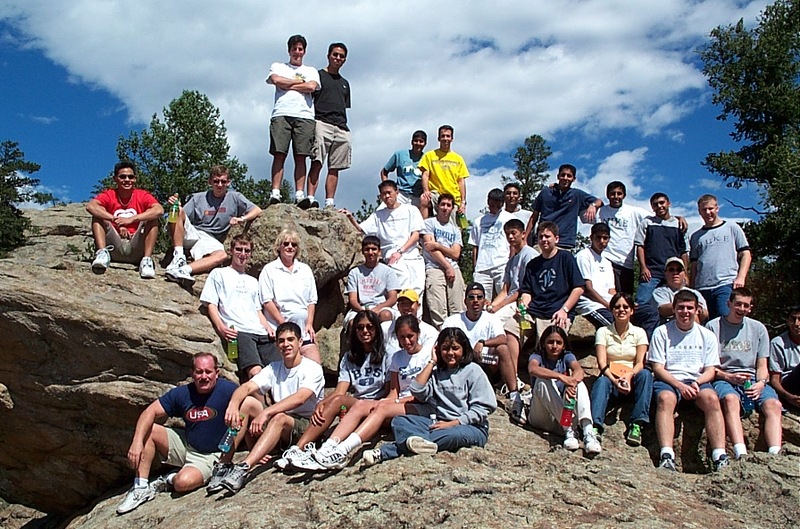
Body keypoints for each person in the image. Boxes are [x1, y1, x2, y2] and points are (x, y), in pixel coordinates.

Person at [116, 353, 259, 514]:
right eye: (199, 372)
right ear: (192, 373)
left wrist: (254, 448)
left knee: (182, 483)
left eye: (208, 372)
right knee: (150, 429)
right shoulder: (182, 393)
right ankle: (140, 487)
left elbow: (253, 407)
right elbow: (149, 412)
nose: (204, 376)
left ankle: (169, 479)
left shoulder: (228, 390)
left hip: (213, 455)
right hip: (187, 444)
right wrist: (137, 442)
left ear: (216, 373)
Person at [297, 315, 433, 470]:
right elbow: (394, 392)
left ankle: (342, 451)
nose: (406, 341)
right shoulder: (397, 357)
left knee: (378, 407)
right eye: (402, 337)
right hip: (388, 404)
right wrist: (323, 403)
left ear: (418, 334)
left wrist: (386, 403)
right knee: (354, 403)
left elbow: (422, 393)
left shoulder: (424, 356)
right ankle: (324, 448)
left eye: (410, 336)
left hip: (415, 405)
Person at [361, 327, 497, 466]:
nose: (450, 353)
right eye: (445, 349)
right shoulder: (437, 373)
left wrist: (453, 423)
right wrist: (432, 362)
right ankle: (417, 443)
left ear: (463, 349)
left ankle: (386, 452)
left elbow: (483, 408)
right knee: (399, 421)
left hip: (469, 427)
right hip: (438, 422)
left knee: (449, 435)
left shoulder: (473, 370)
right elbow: (417, 390)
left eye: (455, 348)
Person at [276, 310, 390, 470]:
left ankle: (327, 449)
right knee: (336, 401)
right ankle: (297, 450)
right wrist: (322, 404)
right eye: (360, 327)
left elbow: (390, 391)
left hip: (378, 406)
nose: (365, 331)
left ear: (377, 329)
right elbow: (340, 391)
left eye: (370, 327)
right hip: (357, 405)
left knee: (340, 401)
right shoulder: (350, 357)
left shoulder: (387, 354)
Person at [219, 322, 324, 493]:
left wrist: (267, 412)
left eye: (290, 339)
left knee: (279, 417)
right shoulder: (274, 368)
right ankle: (223, 464)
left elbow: (300, 398)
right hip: (280, 423)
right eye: (281, 341)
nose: (286, 344)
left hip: (306, 426)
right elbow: (247, 387)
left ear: (300, 342)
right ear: (276, 345)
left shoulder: (312, 368)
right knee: (247, 403)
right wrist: (233, 404)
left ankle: (244, 467)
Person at [649, 289, 728, 472]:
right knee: (665, 399)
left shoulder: (706, 335)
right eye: (681, 307)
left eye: (689, 308)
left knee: (712, 399)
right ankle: (667, 455)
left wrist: (696, 383)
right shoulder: (661, 332)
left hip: (697, 380)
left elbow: (710, 369)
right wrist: (679, 385)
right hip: (670, 380)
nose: (685, 312)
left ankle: (719, 455)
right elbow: (658, 367)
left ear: (697, 310)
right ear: (674, 309)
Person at [707, 288, 781, 458]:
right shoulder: (713, 326)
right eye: (738, 304)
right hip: (723, 376)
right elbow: (709, 366)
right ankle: (741, 452)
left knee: (774, 404)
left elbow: (762, 364)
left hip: (752, 378)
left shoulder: (758, 328)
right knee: (730, 400)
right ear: (729, 304)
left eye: (746, 305)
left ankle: (775, 454)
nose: (741, 309)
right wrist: (728, 376)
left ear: (750, 308)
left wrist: (761, 383)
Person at [165, 165, 262, 286]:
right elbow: (179, 219)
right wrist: (175, 206)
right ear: (210, 182)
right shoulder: (198, 198)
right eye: (216, 181)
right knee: (178, 210)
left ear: (228, 182)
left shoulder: (235, 197)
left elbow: (257, 210)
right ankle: (178, 257)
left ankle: (183, 270)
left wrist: (242, 219)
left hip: (209, 239)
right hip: (193, 232)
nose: (220, 185)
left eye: (223, 181)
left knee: (222, 255)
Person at [442, 283, 522, 423]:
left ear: (485, 301)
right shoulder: (453, 320)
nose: (475, 301)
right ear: (465, 301)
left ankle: (514, 396)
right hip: (461, 365)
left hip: (486, 363)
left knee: (502, 348)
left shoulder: (491, 319)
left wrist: (483, 342)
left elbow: (502, 338)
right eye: (471, 297)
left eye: (479, 297)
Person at [199, 235, 277, 380]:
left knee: (279, 371)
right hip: (239, 332)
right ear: (231, 251)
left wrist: (268, 327)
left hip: (261, 332)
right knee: (255, 372)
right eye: (239, 249)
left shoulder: (253, 281)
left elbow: (257, 310)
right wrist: (221, 327)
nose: (243, 254)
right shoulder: (218, 274)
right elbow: (211, 304)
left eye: (247, 251)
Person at [341, 180, 426, 299]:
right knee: (402, 284)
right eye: (383, 194)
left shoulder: (411, 210)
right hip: (392, 255)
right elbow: (362, 229)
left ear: (397, 192)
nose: (387, 196)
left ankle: (416, 311)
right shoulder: (378, 215)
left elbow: (416, 234)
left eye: (389, 192)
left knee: (418, 287)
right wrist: (351, 217)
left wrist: (401, 251)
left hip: (412, 254)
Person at [486, 218, 538, 409]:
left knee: (500, 326)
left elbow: (522, 289)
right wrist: (492, 305)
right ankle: (495, 370)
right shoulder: (512, 259)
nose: (510, 237)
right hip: (510, 300)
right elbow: (506, 288)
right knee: (487, 319)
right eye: (507, 234)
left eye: (513, 233)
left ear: (523, 234)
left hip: (523, 301)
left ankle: (511, 375)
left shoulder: (529, 255)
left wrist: (498, 307)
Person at [590, 292, 653, 447]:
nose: (621, 310)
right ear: (612, 310)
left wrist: (629, 376)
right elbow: (602, 363)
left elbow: (640, 362)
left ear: (632, 311)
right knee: (602, 382)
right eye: (617, 307)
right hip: (611, 378)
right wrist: (615, 380)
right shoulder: (603, 332)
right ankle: (595, 427)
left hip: (632, 379)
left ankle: (637, 424)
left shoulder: (639, 332)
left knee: (646, 375)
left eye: (626, 307)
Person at [265, 35, 321, 207]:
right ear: (289, 50)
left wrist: (286, 84)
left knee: (301, 156)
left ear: (304, 51)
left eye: (300, 49)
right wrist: (299, 83)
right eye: (294, 49)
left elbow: (311, 86)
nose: (297, 52)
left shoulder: (311, 71)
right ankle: (275, 193)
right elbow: (275, 80)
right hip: (282, 113)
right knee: (279, 154)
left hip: (304, 116)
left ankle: (299, 194)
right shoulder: (278, 66)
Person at [527, 325, 601, 455]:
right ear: (543, 344)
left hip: (561, 417)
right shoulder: (537, 356)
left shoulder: (567, 356)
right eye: (550, 342)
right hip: (541, 417)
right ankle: (569, 430)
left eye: (558, 342)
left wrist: (572, 384)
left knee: (579, 384)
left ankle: (588, 431)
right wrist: (560, 377)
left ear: (564, 345)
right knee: (542, 380)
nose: (554, 346)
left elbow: (578, 370)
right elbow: (533, 369)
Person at [86, 161, 162, 279]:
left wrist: (131, 219)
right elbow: (91, 206)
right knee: (98, 216)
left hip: (136, 247)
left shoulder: (142, 195)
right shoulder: (109, 194)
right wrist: (115, 220)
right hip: (114, 247)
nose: (127, 180)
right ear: (115, 179)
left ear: (135, 179)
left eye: (130, 177)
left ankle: (146, 261)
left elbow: (159, 210)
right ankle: (102, 254)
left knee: (152, 219)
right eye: (122, 177)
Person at [258, 230, 321, 364]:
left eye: (294, 244)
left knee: (315, 367)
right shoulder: (269, 270)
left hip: (303, 332)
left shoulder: (305, 270)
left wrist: (309, 324)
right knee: (287, 370)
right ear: (279, 246)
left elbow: (311, 300)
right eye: (286, 243)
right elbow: (266, 301)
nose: (290, 247)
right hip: (280, 332)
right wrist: (284, 325)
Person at [518, 222, 585, 342]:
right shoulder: (532, 265)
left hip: (557, 312)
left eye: (547, 236)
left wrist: (564, 310)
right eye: (541, 237)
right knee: (510, 328)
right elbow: (527, 291)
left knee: (549, 341)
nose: (544, 239)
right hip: (534, 311)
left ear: (556, 239)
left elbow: (579, 288)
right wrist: (523, 305)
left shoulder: (566, 258)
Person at [689, 194, 752, 320]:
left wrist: (741, 277)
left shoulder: (732, 228)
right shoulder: (696, 236)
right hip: (702, 287)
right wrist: (692, 287)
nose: (708, 212)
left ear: (717, 208)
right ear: (699, 211)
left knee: (725, 319)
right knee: (705, 324)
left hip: (725, 283)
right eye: (704, 209)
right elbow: (694, 264)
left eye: (710, 208)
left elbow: (746, 254)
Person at [306, 42, 351, 210]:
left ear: (344, 59)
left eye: (341, 56)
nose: (338, 58)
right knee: (317, 161)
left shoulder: (344, 83)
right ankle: (310, 198)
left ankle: (329, 202)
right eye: (335, 54)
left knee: (335, 167)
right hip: (321, 122)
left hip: (341, 127)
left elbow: (344, 106)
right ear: (328, 56)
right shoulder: (318, 76)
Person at [524, 164, 602, 249]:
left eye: (569, 176)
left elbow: (599, 201)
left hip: (564, 243)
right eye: (563, 175)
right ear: (558, 176)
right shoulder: (546, 192)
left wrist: (593, 205)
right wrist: (525, 238)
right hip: (542, 241)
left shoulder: (576, 195)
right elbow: (534, 217)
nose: (565, 178)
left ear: (574, 179)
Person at [634, 192, 687, 305]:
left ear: (669, 203)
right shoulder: (647, 223)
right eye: (655, 204)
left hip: (674, 272)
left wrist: (685, 273)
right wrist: (643, 267)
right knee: (641, 302)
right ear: (652, 207)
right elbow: (640, 246)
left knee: (679, 302)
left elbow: (684, 251)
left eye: (662, 203)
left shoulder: (679, 224)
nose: (659, 206)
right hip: (652, 272)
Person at [596, 181, 648, 295]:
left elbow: (655, 218)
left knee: (625, 298)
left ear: (624, 195)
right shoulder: (600, 212)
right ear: (607, 195)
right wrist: (593, 205)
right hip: (605, 259)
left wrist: (677, 218)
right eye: (612, 193)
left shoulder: (634, 212)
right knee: (606, 295)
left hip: (625, 263)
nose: (616, 196)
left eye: (619, 193)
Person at [421, 192, 465, 328]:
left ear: (452, 209)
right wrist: (447, 266)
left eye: (448, 205)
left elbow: (456, 254)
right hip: (434, 268)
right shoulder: (428, 223)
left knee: (458, 307)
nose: (445, 208)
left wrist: (438, 245)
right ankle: (441, 334)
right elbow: (430, 248)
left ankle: (458, 334)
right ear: (437, 206)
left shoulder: (455, 230)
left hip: (454, 267)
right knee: (438, 308)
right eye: (443, 204)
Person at [344, 235, 401, 328]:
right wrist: (363, 312)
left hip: (382, 307)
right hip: (360, 308)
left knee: (386, 315)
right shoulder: (354, 272)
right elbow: (353, 299)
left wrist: (377, 309)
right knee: (353, 323)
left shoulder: (388, 271)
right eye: (367, 249)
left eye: (374, 249)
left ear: (379, 251)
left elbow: (393, 298)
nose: (370, 252)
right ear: (363, 251)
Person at [469, 188, 515, 300]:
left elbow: (513, 244)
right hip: (482, 267)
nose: (494, 208)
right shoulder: (478, 221)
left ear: (502, 203)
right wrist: (475, 266)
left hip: (502, 265)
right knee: (481, 300)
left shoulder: (510, 218)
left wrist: (511, 263)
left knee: (504, 298)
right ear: (488, 202)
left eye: (497, 206)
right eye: (492, 205)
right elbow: (475, 245)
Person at [419, 125, 469, 220]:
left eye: (448, 136)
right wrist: (426, 191)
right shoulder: (429, 155)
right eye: (443, 136)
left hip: (453, 197)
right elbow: (425, 175)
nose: (445, 138)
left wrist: (463, 202)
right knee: (424, 199)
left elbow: (461, 181)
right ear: (438, 138)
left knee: (454, 226)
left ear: (452, 139)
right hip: (436, 194)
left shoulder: (458, 159)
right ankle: (423, 226)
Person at [574, 222, 616, 329]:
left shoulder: (607, 263)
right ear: (591, 238)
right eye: (598, 237)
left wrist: (619, 304)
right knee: (615, 327)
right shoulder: (583, 256)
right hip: (591, 305)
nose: (602, 241)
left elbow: (612, 291)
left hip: (607, 305)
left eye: (605, 238)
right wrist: (608, 306)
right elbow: (588, 289)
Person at [381, 130, 429, 218]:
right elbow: (384, 172)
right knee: (382, 213)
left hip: (417, 196)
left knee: (418, 219)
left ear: (425, 144)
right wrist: (387, 189)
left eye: (421, 141)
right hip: (401, 193)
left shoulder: (427, 158)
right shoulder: (399, 155)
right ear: (411, 142)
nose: (418, 143)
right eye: (416, 141)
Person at [650, 257, 708, 325]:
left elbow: (705, 314)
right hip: (668, 326)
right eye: (671, 270)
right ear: (665, 273)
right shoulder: (659, 292)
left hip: (694, 325)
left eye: (679, 270)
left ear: (684, 274)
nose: (675, 273)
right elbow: (662, 310)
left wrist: (700, 311)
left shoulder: (695, 293)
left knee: (692, 316)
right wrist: (691, 305)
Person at [382, 289, 439, 354]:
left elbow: (427, 355)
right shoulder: (386, 328)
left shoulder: (430, 332)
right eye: (403, 303)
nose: (406, 307)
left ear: (418, 306)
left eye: (410, 303)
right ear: (398, 306)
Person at [769, 305, 800, 408]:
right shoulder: (778, 343)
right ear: (787, 321)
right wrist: (788, 397)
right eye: (793, 319)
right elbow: (774, 379)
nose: (796, 324)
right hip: (790, 383)